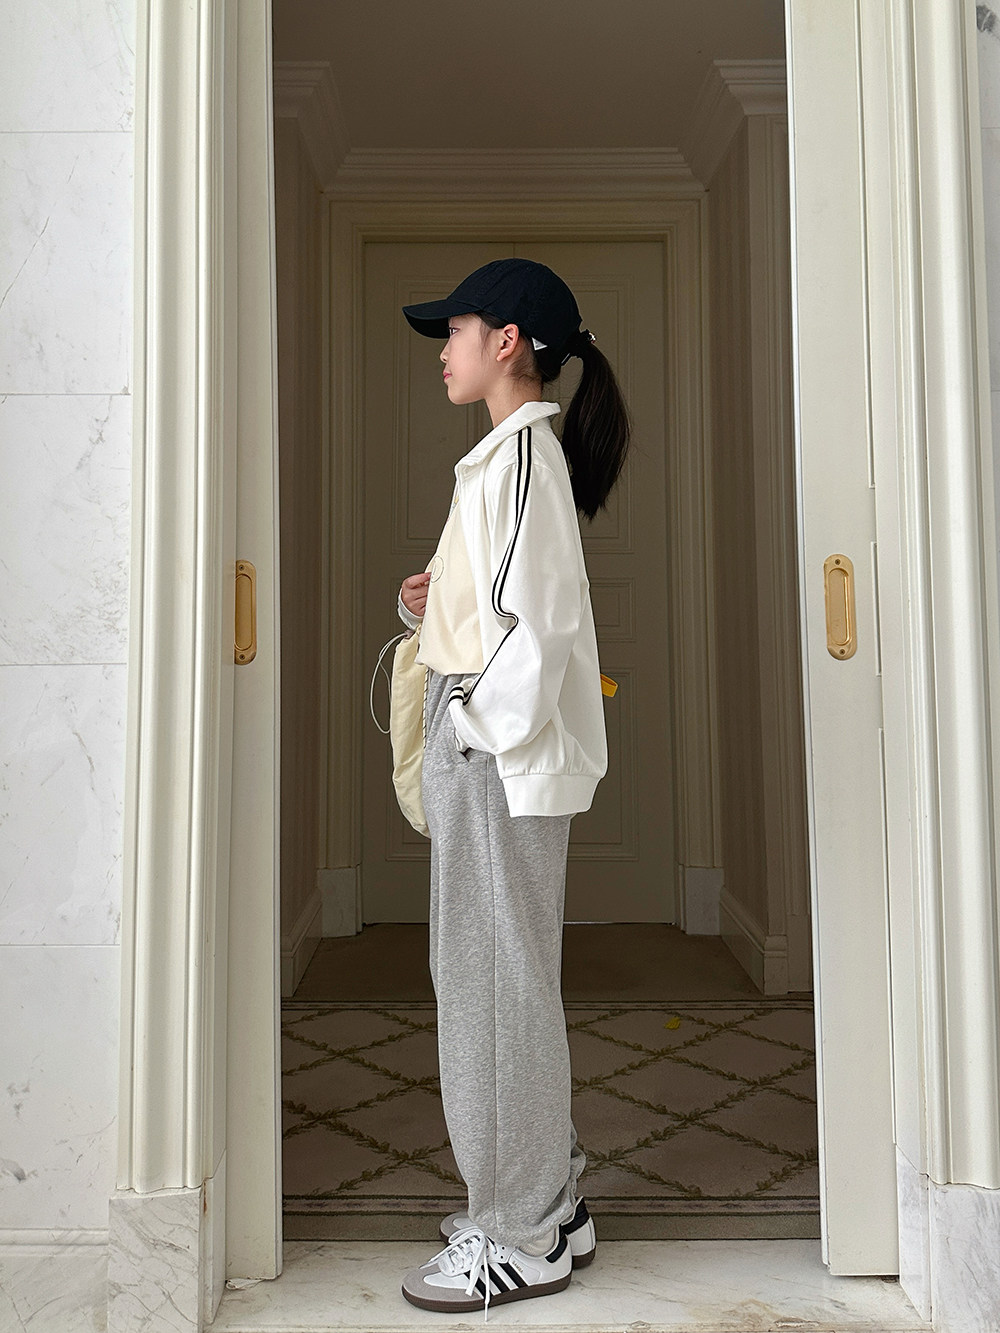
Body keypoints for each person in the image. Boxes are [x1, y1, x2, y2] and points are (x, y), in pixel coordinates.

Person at [394, 257, 630, 1315]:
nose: (442, 351)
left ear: (506, 342)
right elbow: (498, 611)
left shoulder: (523, 459)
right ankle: (551, 1204)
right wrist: (428, 608)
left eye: (454, 330)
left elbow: (543, 626)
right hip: (492, 745)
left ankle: (519, 1231)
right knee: (499, 980)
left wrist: (471, 725)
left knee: (492, 988)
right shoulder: (506, 461)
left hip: (494, 752)